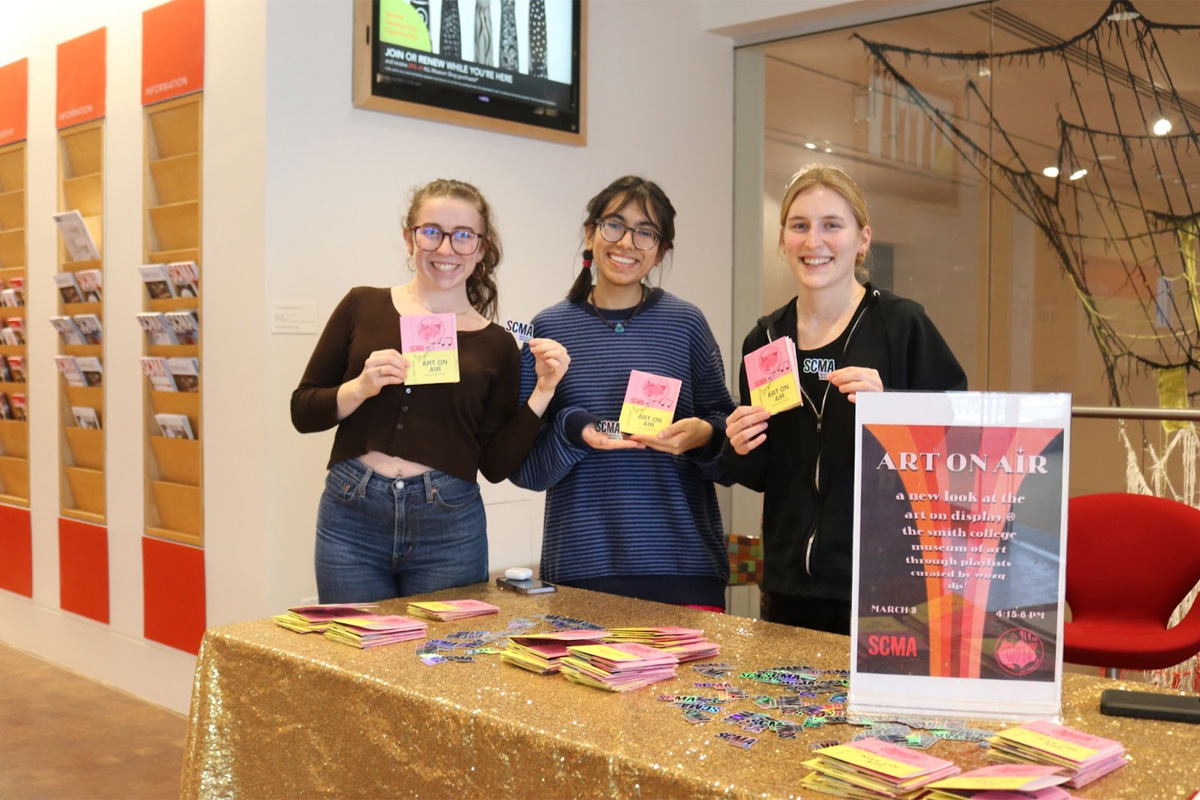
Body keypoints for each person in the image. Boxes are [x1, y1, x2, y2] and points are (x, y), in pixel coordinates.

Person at [291, 178, 569, 603]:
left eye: (463, 236)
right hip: (351, 514)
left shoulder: (497, 344)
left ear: (481, 248)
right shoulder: (362, 305)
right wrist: (360, 387)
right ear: (409, 237)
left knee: (442, 661)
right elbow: (303, 411)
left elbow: (494, 465)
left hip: (450, 524)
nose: (445, 249)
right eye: (432, 231)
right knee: (352, 658)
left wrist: (543, 392)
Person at [722, 164, 966, 635]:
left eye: (832, 225)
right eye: (800, 226)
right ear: (783, 240)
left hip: (887, 586)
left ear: (862, 239)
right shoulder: (766, 339)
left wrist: (890, 404)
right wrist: (738, 445)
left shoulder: (902, 325)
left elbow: (957, 438)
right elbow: (759, 474)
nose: (814, 241)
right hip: (790, 588)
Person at [510, 176, 736, 610]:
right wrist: (572, 430)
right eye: (614, 225)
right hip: (580, 567)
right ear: (590, 234)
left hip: (683, 564)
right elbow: (525, 469)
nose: (627, 242)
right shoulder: (549, 329)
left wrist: (704, 435)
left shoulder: (686, 323)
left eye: (645, 232)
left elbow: (727, 445)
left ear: (660, 251)